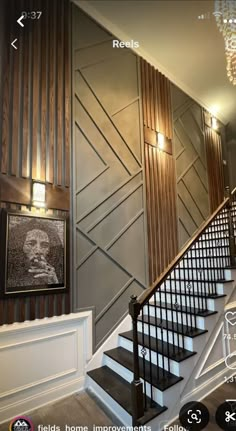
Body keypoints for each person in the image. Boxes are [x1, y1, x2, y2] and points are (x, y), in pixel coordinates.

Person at [7, 217, 64, 291]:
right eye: (31, 244)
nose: (38, 251)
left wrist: (54, 282)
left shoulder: (56, 273)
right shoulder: (9, 273)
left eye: (45, 245)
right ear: (21, 247)